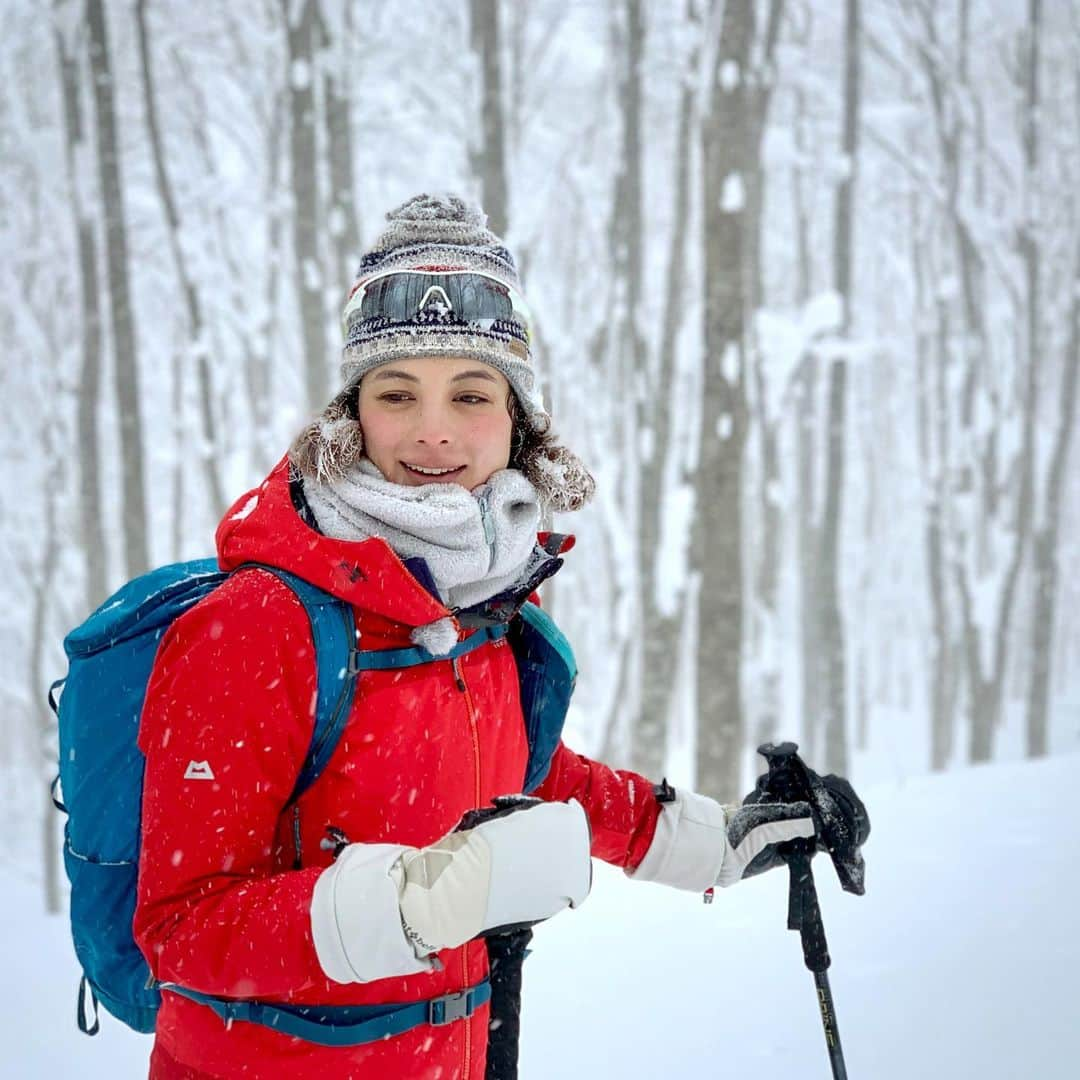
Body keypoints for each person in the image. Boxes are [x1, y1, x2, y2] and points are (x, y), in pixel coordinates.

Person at [133, 194, 818, 1080]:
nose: (433, 430)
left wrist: (720, 840)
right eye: (396, 392)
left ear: (517, 416)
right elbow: (181, 926)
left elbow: (537, 777)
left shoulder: (475, 606)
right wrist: (426, 901)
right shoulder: (257, 624)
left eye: (470, 392)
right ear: (352, 417)